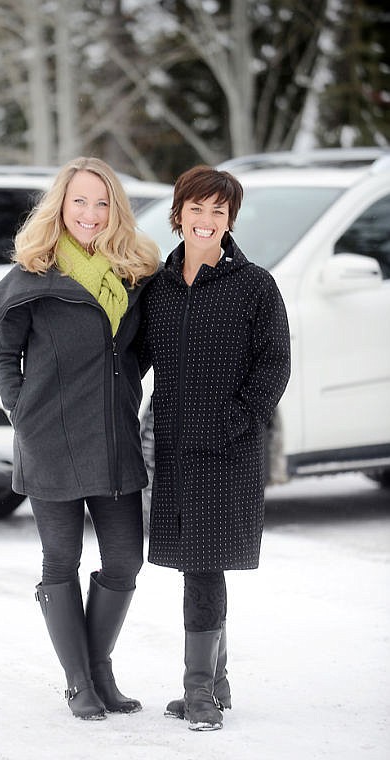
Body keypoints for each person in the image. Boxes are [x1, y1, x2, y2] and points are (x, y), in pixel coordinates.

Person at [0, 157, 160, 721]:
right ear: (60, 206)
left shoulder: (132, 273)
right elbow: (6, 356)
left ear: (116, 211)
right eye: (79, 201)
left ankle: (100, 669)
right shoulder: (36, 272)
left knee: (126, 560)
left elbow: (140, 349)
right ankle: (78, 680)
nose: (90, 213)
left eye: (102, 202)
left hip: (112, 439)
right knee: (61, 559)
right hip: (50, 440)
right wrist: (21, 413)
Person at [138, 165, 291, 731]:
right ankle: (216, 679)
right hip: (175, 446)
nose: (206, 221)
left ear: (231, 221)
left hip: (230, 448)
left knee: (204, 565)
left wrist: (236, 419)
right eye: (196, 210)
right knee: (195, 565)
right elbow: (131, 359)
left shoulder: (256, 286)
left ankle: (198, 690)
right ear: (178, 215)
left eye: (218, 212)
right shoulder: (157, 286)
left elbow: (274, 365)